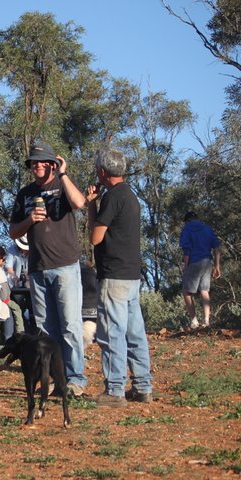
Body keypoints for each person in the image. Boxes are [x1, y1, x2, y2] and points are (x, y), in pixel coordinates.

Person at [9, 141, 87, 397]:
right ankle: (52, 378)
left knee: (71, 326)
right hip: (37, 268)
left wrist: (64, 174)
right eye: (34, 162)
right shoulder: (25, 193)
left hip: (65, 265)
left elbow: (79, 203)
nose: (38, 166)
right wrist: (30, 219)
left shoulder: (62, 185)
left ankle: (75, 380)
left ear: (53, 164)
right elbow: (13, 231)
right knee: (45, 328)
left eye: (43, 161)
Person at [87, 148, 153, 407]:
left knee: (112, 334)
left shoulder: (114, 197)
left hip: (113, 276)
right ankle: (142, 386)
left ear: (103, 171)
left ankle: (114, 390)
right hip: (132, 276)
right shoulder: (130, 196)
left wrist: (92, 203)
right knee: (135, 333)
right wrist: (94, 203)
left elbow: (95, 238)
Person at [180, 211, 221, 329]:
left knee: (187, 292)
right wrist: (217, 266)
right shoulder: (207, 228)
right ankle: (206, 321)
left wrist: (186, 267)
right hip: (207, 262)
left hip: (194, 261)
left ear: (187, 220)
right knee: (204, 290)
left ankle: (194, 321)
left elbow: (187, 250)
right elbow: (217, 247)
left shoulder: (187, 229)